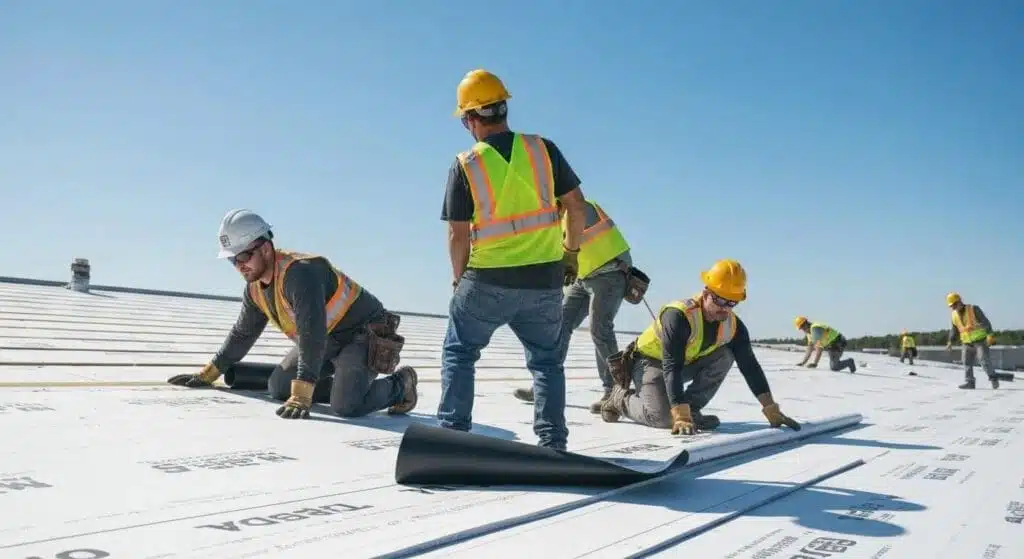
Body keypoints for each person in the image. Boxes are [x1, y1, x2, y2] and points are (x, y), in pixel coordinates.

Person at [437, 68, 589, 450]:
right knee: (547, 363)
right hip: (543, 282)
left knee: (460, 352)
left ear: (470, 118)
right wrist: (570, 254)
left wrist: (459, 281)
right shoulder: (543, 150)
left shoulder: (466, 164)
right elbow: (576, 206)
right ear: (504, 109)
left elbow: (457, 234)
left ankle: (453, 438)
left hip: (486, 280)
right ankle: (553, 443)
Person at [167, 209, 419, 419]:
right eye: (232, 260)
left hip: (363, 334)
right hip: (328, 340)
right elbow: (243, 333)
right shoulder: (254, 289)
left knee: (346, 407)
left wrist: (302, 395)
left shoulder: (300, 272)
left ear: (265, 249)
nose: (239, 265)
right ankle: (345, 386)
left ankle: (401, 384)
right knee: (279, 387)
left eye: (243, 255)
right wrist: (209, 373)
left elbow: (312, 334)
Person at [600, 259, 801, 436]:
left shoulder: (733, 326)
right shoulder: (678, 315)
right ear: (706, 292)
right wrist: (679, 415)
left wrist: (770, 407)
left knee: (726, 355)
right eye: (720, 300)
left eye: (732, 302)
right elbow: (672, 366)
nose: (725, 307)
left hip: (684, 363)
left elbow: (750, 366)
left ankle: (692, 410)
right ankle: (620, 399)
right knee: (662, 419)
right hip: (649, 362)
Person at [512, 198, 633, 413]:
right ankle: (544, 387)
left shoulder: (578, 207)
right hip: (584, 277)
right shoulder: (554, 219)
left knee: (600, 329)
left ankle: (614, 392)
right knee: (560, 325)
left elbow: (571, 243)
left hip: (610, 272)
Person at [945, 292, 999, 389]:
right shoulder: (954, 315)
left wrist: (990, 335)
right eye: (951, 306)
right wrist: (950, 341)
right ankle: (970, 382)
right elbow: (954, 329)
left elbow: (985, 322)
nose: (953, 308)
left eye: (954, 305)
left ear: (959, 301)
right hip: (966, 342)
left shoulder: (973, 309)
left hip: (980, 341)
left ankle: (993, 378)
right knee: (966, 362)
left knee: (983, 360)